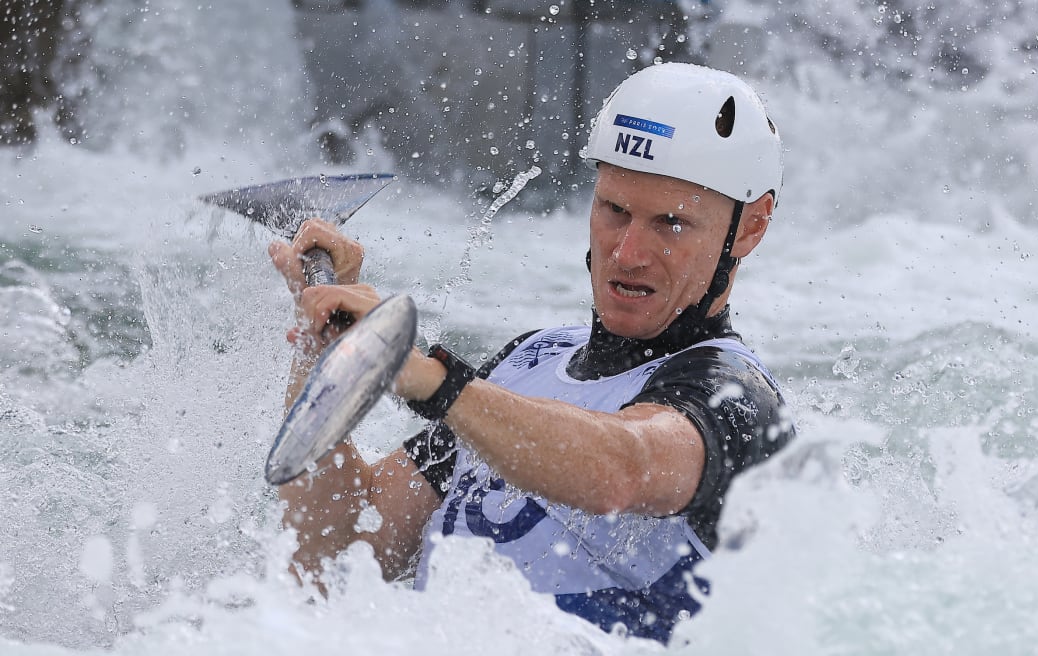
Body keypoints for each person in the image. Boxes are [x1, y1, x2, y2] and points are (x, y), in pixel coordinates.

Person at [268, 63, 794, 644]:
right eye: (614, 210)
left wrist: (425, 377)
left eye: (670, 223)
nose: (628, 252)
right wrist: (330, 349)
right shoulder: (529, 364)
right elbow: (338, 552)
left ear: (750, 227)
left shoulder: (735, 398)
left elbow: (622, 468)